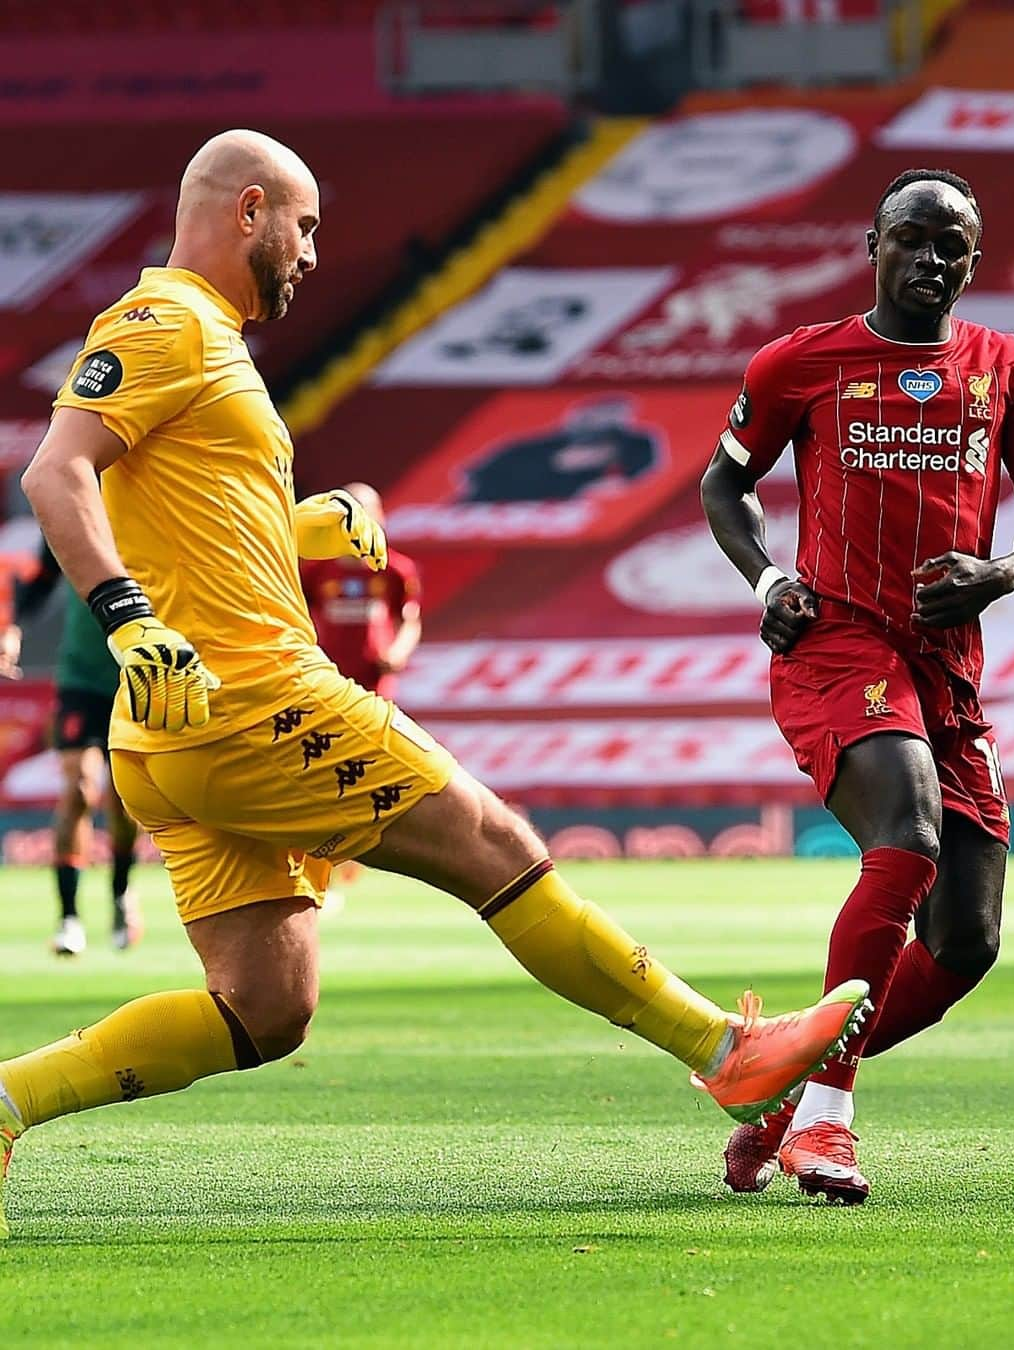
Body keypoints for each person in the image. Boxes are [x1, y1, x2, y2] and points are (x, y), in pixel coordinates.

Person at [0, 130, 868, 1237]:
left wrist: (312, 518)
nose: (313, 254)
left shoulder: (210, 344)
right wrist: (124, 620)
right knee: (494, 846)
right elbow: (55, 470)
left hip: (178, 738)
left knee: (266, 1009)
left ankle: (5, 1103)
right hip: (253, 699)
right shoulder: (164, 322)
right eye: (306, 227)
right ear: (250, 211)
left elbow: (191, 516)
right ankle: (726, 1050)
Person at [700, 168, 1014, 1204]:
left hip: (948, 672)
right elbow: (724, 480)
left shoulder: (1007, 369)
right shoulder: (802, 362)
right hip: (836, 645)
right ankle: (826, 1123)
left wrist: (1000, 574)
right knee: (905, 835)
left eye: (950, 245)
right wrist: (769, 577)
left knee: (966, 942)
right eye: (911, 238)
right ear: (872, 244)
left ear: (974, 261)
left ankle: (775, 1092)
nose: (930, 259)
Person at [3, 544, 141, 954]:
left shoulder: (153, 511)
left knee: (124, 798)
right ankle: (69, 919)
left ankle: (120, 891)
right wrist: (11, 627)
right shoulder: (73, 514)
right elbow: (39, 580)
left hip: (134, 676)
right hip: (80, 678)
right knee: (78, 789)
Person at [301, 483, 421, 701]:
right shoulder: (313, 570)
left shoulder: (396, 570)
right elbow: (297, 614)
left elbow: (409, 620)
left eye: (365, 512)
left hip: (374, 681)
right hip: (327, 677)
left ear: (380, 516)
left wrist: (397, 653)